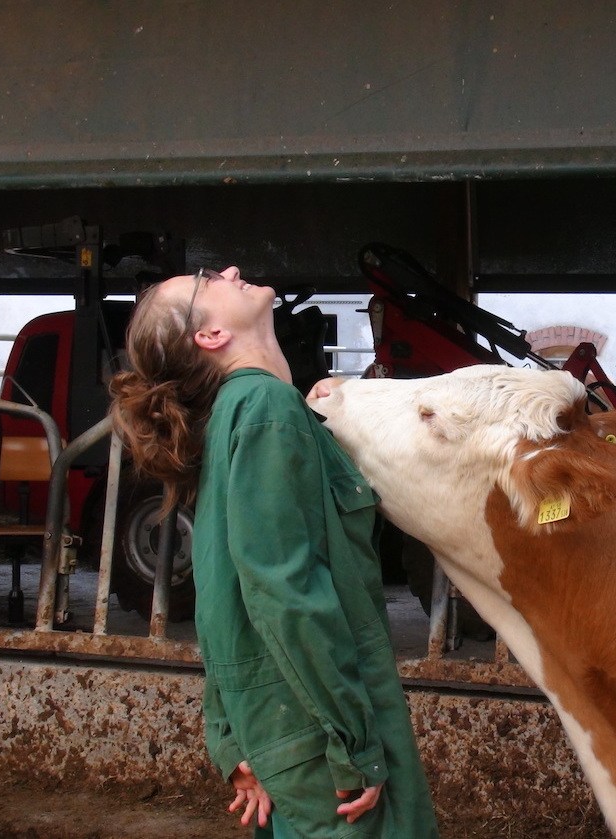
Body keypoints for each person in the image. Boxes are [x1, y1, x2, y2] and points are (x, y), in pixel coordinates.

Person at [109, 266, 439, 838]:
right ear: (210, 336)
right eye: (209, 279)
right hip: (323, 732)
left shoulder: (240, 412)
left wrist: (234, 736)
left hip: (283, 726)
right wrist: (354, 742)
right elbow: (284, 593)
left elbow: (221, 602)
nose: (231, 271)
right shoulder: (264, 408)